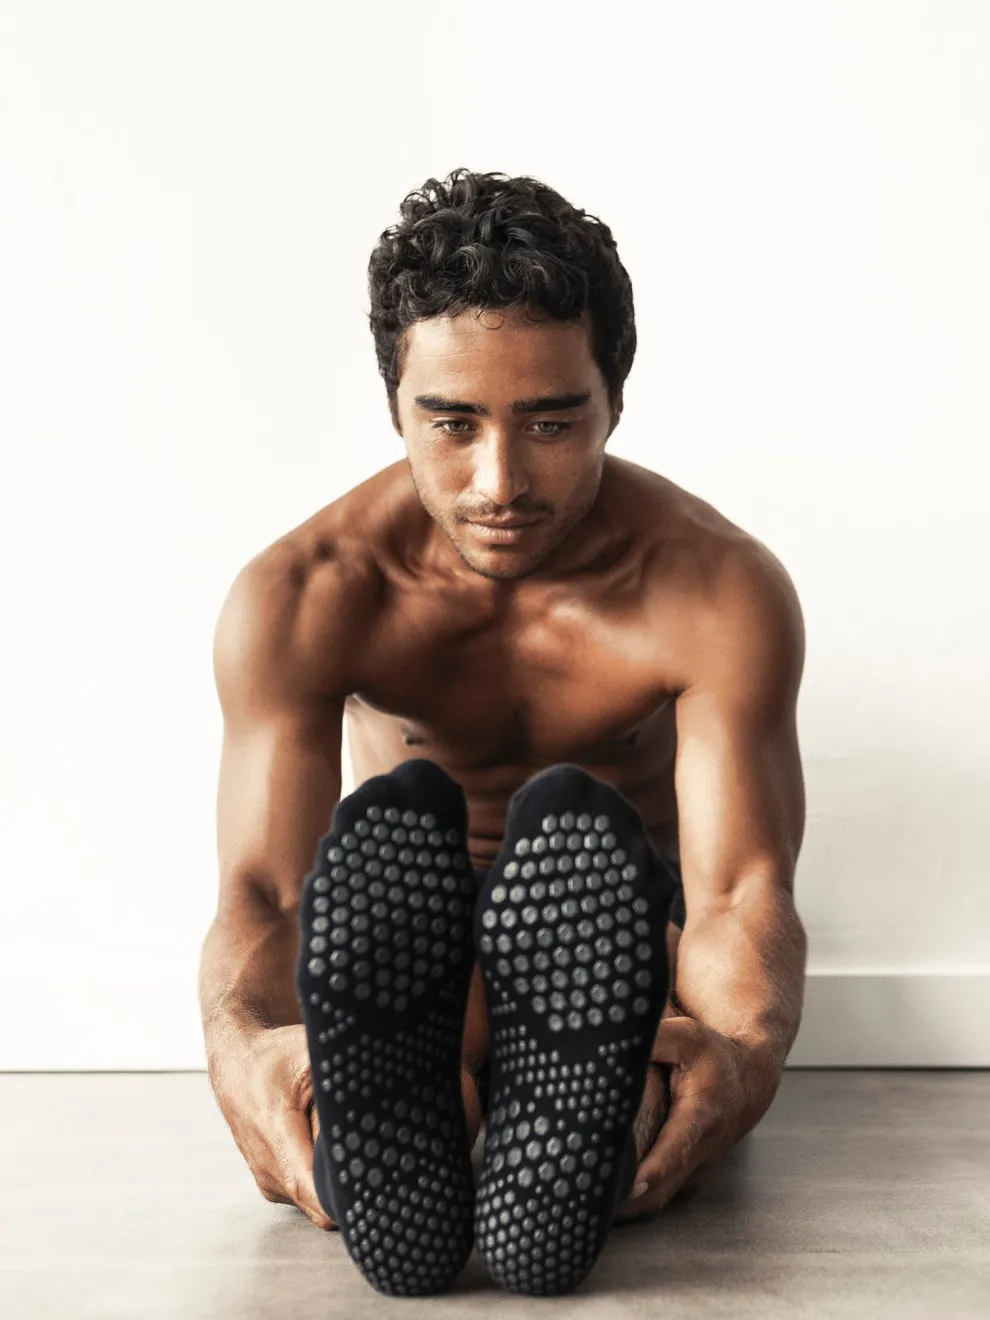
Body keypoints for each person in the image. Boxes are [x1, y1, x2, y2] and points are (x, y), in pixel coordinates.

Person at [198, 168, 807, 1295]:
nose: (500, 482)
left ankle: (581, 1122)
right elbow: (269, 896)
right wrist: (250, 1053)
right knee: (405, 1019)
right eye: (451, 424)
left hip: (614, 933)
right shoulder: (305, 594)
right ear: (394, 405)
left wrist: (739, 1054)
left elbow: (737, 892)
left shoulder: (714, 589)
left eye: (551, 423)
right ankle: (426, 1116)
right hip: (403, 939)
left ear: (615, 399)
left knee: (635, 1041)